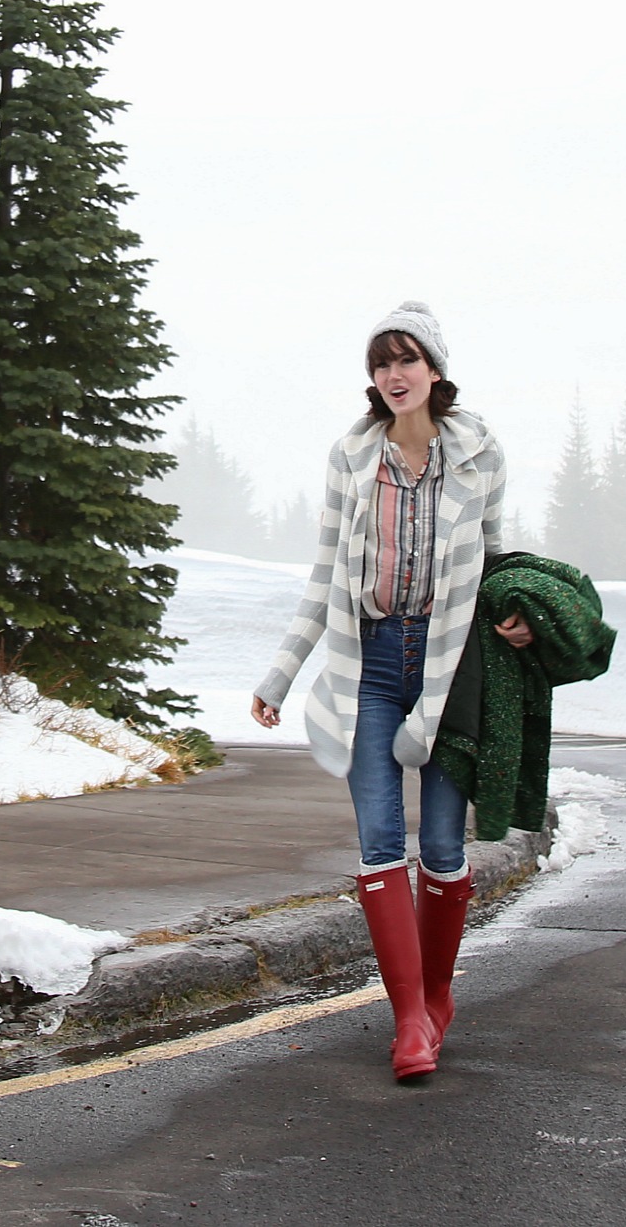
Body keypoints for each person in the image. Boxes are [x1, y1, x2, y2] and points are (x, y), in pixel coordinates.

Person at [248, 302, 526, 1082]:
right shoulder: (351, 456)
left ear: (435, 370)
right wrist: (281, 673)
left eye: (407, 359)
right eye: (382, 362)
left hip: (448, 667)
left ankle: (438, 995)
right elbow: (326, 569)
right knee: (379, 844)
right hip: (369, 663)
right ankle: (408, 1019)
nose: (394, 374)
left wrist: (514, 619)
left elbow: (495, 554)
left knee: (441, 846)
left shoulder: (478, 453)